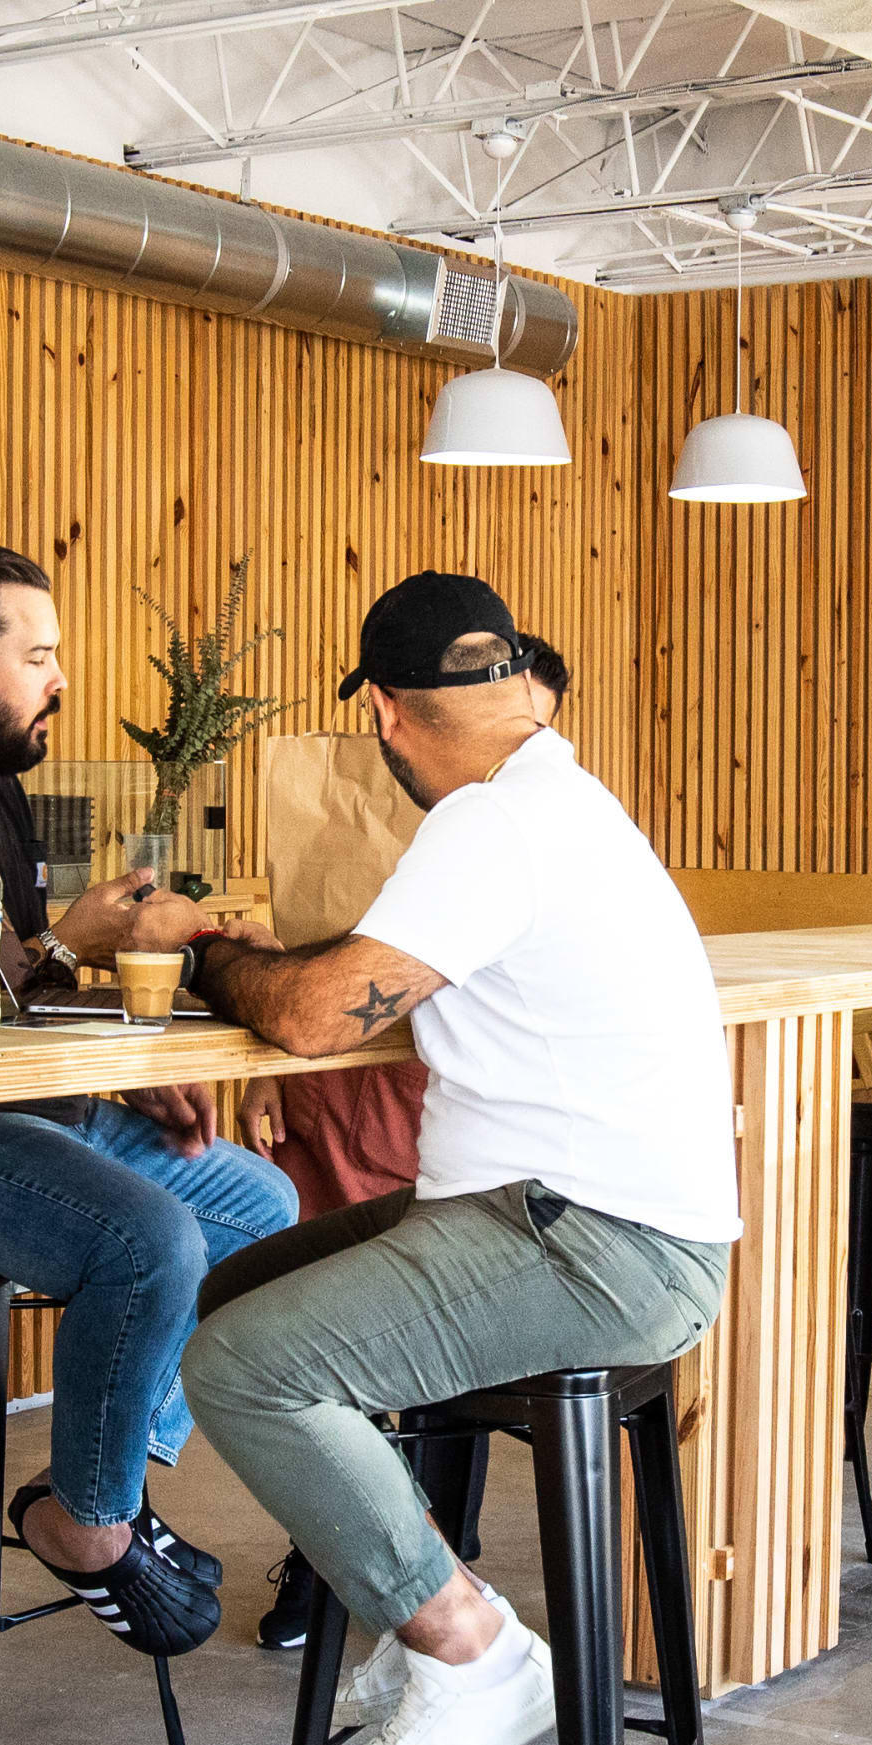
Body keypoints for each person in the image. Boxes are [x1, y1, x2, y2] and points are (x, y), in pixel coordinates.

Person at [143, 574, 735, 1745]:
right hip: (565, 1215)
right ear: (519, 683)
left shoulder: (493, 824)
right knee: (237, 1288)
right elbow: (372, 977)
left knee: (249, 1368)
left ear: (380, 711)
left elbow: (312, 1017)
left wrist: (210, 963)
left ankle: (471, 1652)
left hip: (595, 1243)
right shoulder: (557, 801)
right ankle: (402, 1593)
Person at [0, 542, 301, 1656]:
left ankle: (108, 1480)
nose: (60, 680)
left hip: (45, 1103)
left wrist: (129, 1068)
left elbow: (23, 995)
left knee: (259, 1208)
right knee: (152, 1241)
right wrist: (72, 939)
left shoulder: (3, 792)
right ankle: (97, 1531)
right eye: (38, 656)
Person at [245, 622, 574, 1651]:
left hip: (451, 1107)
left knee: (425, 1351)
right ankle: (342, 1552)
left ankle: (440, 1567)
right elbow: (308, 989)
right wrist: (253, 1070)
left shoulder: (525, 831)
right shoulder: (463, 816)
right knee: (291, 1326)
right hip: (342, 1088)